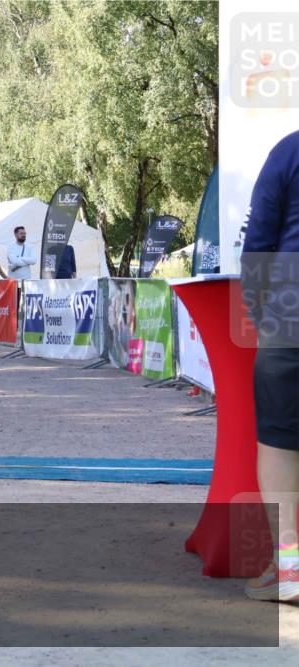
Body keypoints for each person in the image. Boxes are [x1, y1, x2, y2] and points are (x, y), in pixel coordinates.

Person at [240, 130, 299, 602]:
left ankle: (290, 569)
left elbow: (258, 241)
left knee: (280, 444)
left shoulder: (289, 150)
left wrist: (261, 314)